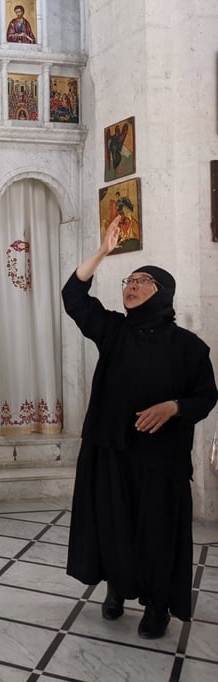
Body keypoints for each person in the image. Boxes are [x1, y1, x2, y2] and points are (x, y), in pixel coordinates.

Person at [62, 219, 217, 640]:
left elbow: (206, 396)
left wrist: (173, 407)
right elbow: (74, 296)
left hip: (160, 458)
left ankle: (158, 606)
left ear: (161, 292)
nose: (130, 286)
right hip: (110, 448)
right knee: (113, 522)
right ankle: (116, 588)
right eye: (128, 280)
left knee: (156, 530)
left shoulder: (188, 346)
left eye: (142, 281)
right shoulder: (113, 330)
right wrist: (102, 253)